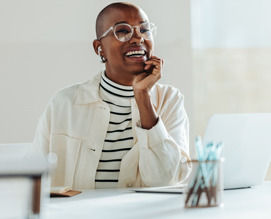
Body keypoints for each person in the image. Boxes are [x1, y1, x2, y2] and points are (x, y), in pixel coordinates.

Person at [30, 2, 191, 189]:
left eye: (145, 30)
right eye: (122, 31)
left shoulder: (170, 100)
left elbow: (164, 180)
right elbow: (32, 179)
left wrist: (143, 95)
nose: (138, 38)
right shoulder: (63, 103)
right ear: (99, 48)